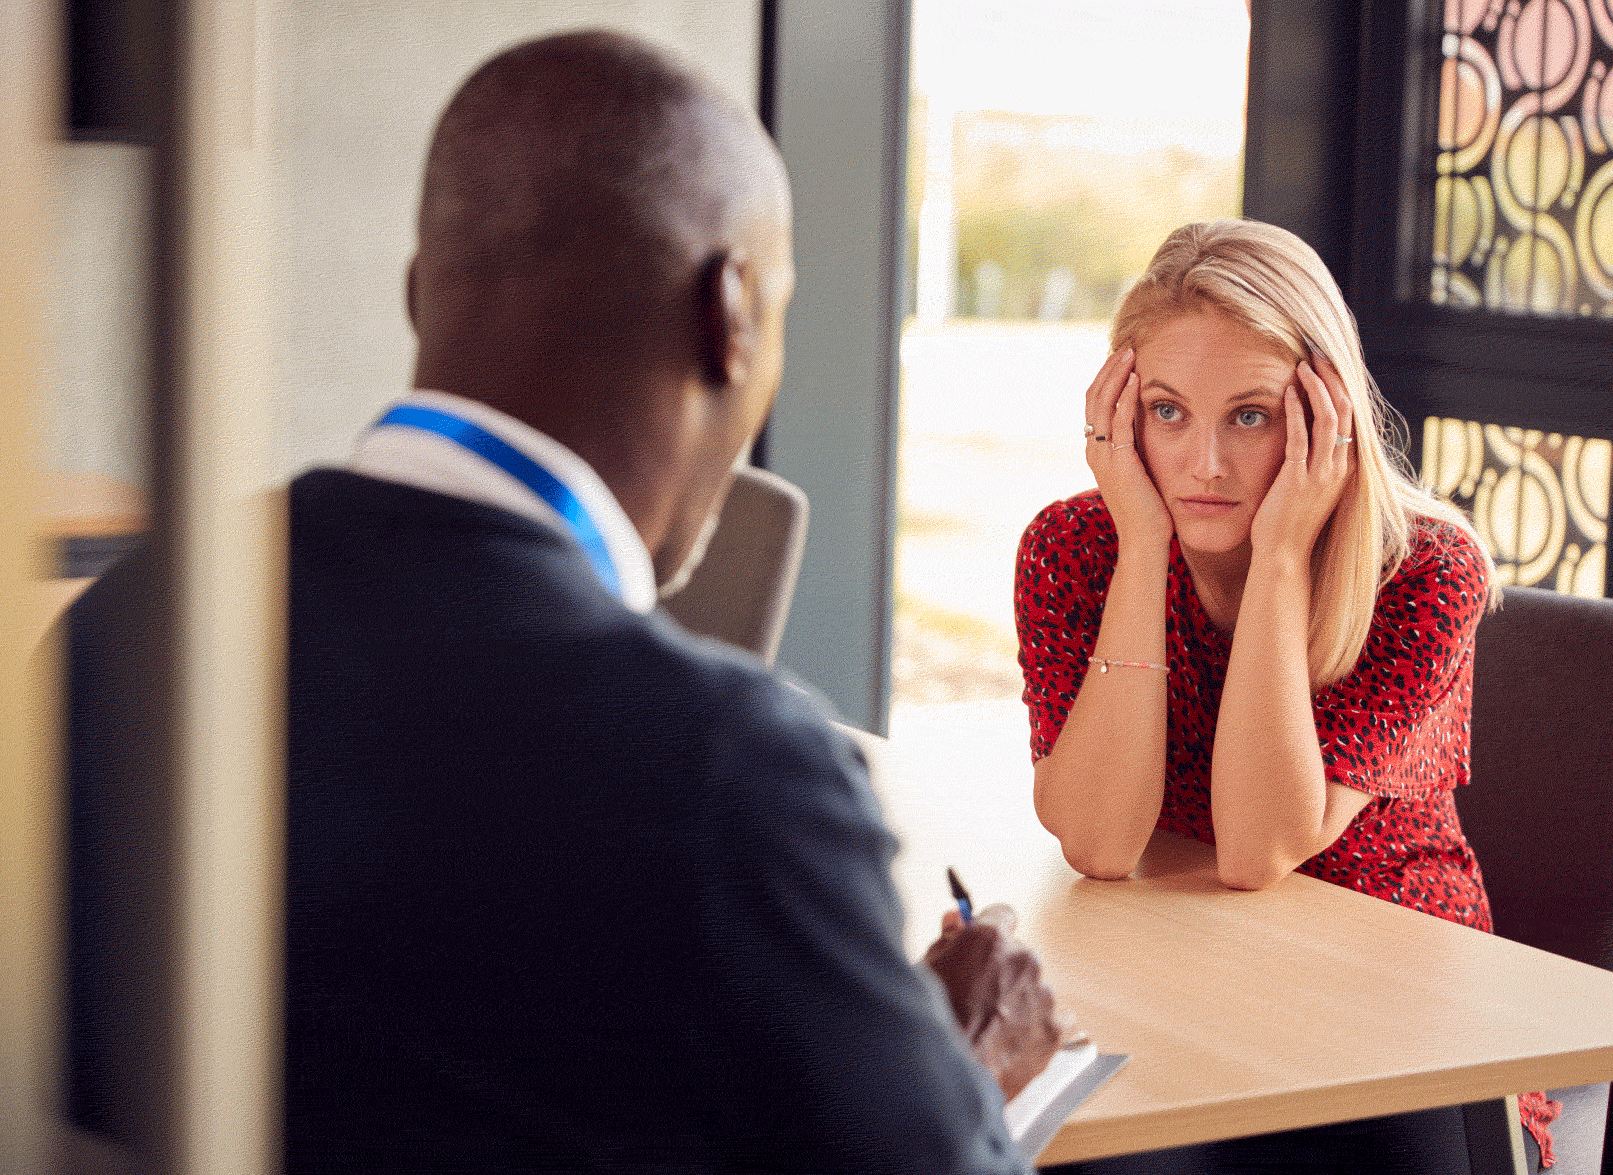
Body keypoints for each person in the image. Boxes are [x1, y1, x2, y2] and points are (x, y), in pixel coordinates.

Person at [65, 29, 1066, 1173]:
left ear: (414, 294)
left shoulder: (132, 614)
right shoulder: (728, 770)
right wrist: (964, 1068)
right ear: (729, 314)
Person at [1014, 220, 1559, 1172]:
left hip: (1401, 1023)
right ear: (1119, 415)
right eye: (1168, 412)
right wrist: (1142, 549)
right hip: (1186, 996)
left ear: (1324, 413)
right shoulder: (1074, 549)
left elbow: (1257, 847)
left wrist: (1277, 560)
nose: (1205, 465)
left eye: (1250, 416)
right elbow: (1098, 842)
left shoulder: (1424, 571)